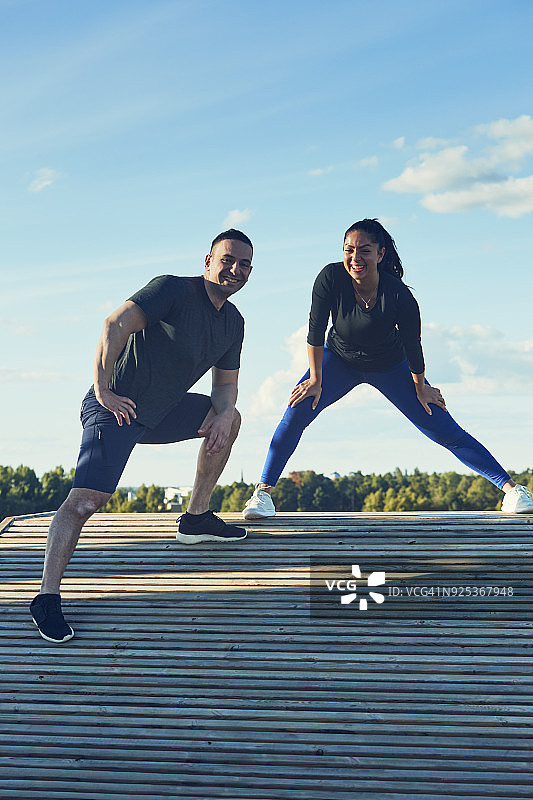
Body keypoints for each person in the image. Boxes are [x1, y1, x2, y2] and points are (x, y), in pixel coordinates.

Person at [30, 228, 253, 643]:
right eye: (227, 260)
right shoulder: (171, 289)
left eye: (244, 265)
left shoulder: (233, 323)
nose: (235, 270)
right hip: (117, 408)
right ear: (208, 261)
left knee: (231, 417)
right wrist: (103, 388)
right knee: (85, 502)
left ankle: (196, 517)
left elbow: (225, 387)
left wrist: (223, 415)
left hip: (163, 411)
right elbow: (114, 323)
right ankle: (46, 597)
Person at [243, 218, 533, 520]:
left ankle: (513, 491)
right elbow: (315, 329)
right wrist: (316, 379)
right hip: (339, 360)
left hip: (391, 365)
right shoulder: (330, 277)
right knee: (296, 411)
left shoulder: (398, 294)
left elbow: (413, 345)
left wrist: (421, 387)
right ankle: (262, 495)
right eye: (349, 250)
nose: (356, 258)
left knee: (442, 427)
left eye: (365, 251)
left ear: (380, 254)